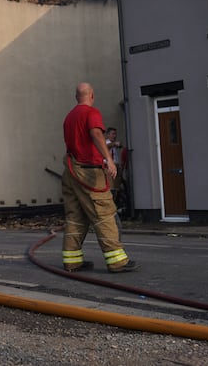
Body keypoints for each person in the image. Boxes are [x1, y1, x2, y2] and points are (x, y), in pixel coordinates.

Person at [61, 83, 138, 273]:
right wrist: (110, 161)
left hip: (71, 172)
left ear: (76, 96)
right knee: (103, 213)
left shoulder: (69, 117)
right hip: (89, 172)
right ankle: (117, 261)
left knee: (76, 215)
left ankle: (72, 260)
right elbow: (95, 133)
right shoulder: (91, 113)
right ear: (92, 95)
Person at [105, 127, 129, 212]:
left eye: (115, 134)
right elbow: (107, 146)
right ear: (108, 134)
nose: (114, 136)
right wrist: (115, 144)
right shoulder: (107, 143)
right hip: (108, 167)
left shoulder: (113, 144)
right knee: (111, 187)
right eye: (112, 134)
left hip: (116, 167)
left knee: (117, 187)